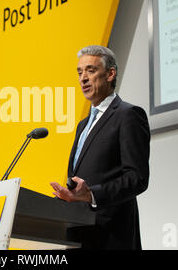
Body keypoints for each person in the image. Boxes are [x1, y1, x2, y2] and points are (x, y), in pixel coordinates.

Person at [50, 45, 150, 250]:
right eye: (79, 72)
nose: (83, 78)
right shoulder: (82, 125)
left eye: (91, 70)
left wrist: (92, 195)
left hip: (111, 237)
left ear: (110, 74)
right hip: (78, 235)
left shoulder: (128, 115)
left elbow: (136, 178)